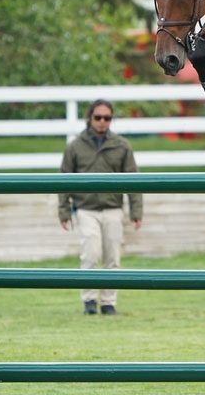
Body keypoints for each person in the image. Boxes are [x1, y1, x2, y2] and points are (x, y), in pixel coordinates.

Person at [58, 99, 143, 316]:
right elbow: (63, 180)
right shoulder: (75, 146)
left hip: (113, 208)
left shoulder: (122, 145)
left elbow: (134, 179)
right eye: (98, 117)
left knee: (113, 257)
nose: (102, 122)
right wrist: (64, 211)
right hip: (86, 209)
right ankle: (89, 301)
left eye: (107, 118)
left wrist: (136, 211)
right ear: (90, 118)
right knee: (90, 255)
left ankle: (108, 302)